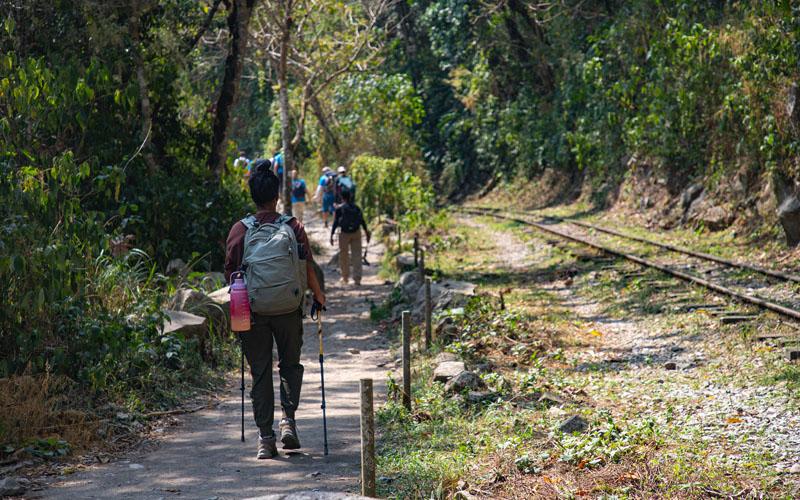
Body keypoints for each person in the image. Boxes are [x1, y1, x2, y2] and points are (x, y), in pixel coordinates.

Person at [224, 159, 325, 460]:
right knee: (290, 365)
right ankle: (288, 422)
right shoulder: (293, 227)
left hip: (253, 312)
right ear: (277, 196)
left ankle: (265, 439)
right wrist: (319, 297)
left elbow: (231, 275)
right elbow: (306, 268)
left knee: (260, 372)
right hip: (288, 308)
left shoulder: (239, 231)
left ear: (253, 196)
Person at [330, 189, 370, 286]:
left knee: (344, 256)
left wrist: (331, 235)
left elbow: (336, 222)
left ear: (342, 198)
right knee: (357, 255)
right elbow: (362, 220)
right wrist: (366, 232)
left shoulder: (340, 209)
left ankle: (345, 278)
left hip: (344, 234)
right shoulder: (356, 207)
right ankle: (357, 279)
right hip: (356, 232)